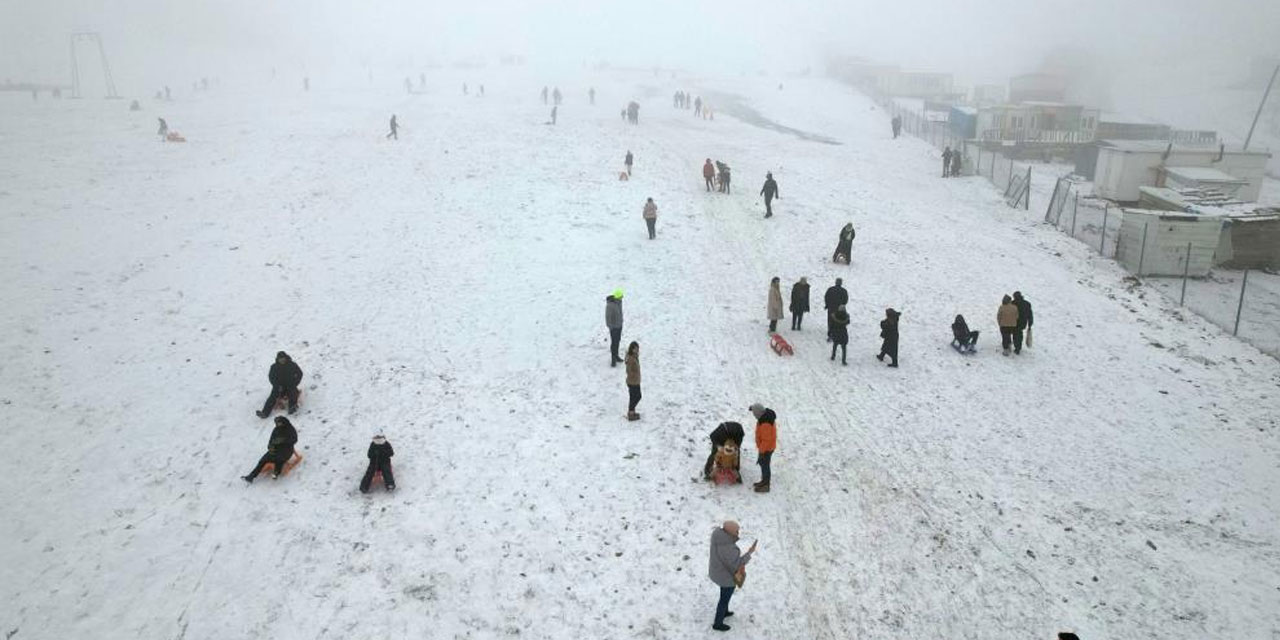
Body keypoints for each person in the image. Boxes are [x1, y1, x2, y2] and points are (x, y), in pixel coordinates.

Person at [708, 521, 756, 632]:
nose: (738, 533)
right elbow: (738, 564)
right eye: (736, 531)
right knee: (724, 599)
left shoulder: (718, 538)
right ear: (729, 532)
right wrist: (749, 552)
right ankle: (718, 623)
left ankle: (725, 612)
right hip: (726, 576)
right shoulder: (728, 547)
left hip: (718, 572)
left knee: (724, 594)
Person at [242, 416, 298, 483]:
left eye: (279, 423)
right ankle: (251, 476)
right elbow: (271, 441)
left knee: (279, 459)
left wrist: (283, 440)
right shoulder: (276, 429)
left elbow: (294, 440)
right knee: (263, 460)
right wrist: (270, 447)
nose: (278, 425)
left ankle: (276, 473)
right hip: (275, 449)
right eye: (277, 423)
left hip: (287, 450)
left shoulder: (290, 429)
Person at [256, 351, 303, 418]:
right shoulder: (274, 367)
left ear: (286, 358)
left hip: (290, 385)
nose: (282, 360)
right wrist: (276, 385)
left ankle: (292, 408)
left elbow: (300, 373)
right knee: (273, 396)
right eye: (280, 358)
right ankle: (265, 413)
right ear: (277, 359)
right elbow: (271, 377)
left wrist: (295, 383)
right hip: (279, 387)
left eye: (283, 358)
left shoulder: (292, 365)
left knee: (293, 393)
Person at [749, 404, 776, 492]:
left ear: (758, 413)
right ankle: (764, 481)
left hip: (766, 448)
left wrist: (761, 451)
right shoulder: (763, 418)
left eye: (754, 413)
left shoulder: (765, 423)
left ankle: (766, 485)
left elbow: (766, 440)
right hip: (765, 447)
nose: (753, 415)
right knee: (763, 464)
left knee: (765, 465)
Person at [605, 290, 624, 367]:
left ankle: (616, 356)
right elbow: (608, 317)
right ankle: (613, 359)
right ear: (617, 297)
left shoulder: (619, 302)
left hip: (619, 326)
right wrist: (611, 327)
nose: (622, 298)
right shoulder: (610, 305)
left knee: (618, 341)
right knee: (614, 343)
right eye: (621, 297)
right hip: (614, 328)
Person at [625, 342, 642, 420]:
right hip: (633, 382)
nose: (637, 350)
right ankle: (631, 412)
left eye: (637, 348)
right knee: (637, 396)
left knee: (634, 397)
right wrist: (634, 376)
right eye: (635, 348)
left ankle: (631, 412)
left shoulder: (635, 357)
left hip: (635, 381)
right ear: (631, 349)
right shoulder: (631, 358)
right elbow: (628, 370)